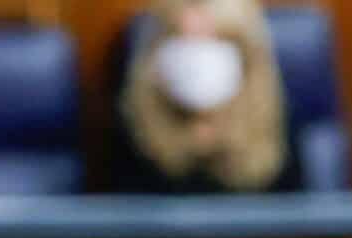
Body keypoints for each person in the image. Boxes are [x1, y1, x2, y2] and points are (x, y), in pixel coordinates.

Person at [116, 0, 294, 194]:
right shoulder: (134, 133)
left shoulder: (279, 132)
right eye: (183, 41)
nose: (199, 61)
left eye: (213, 42)